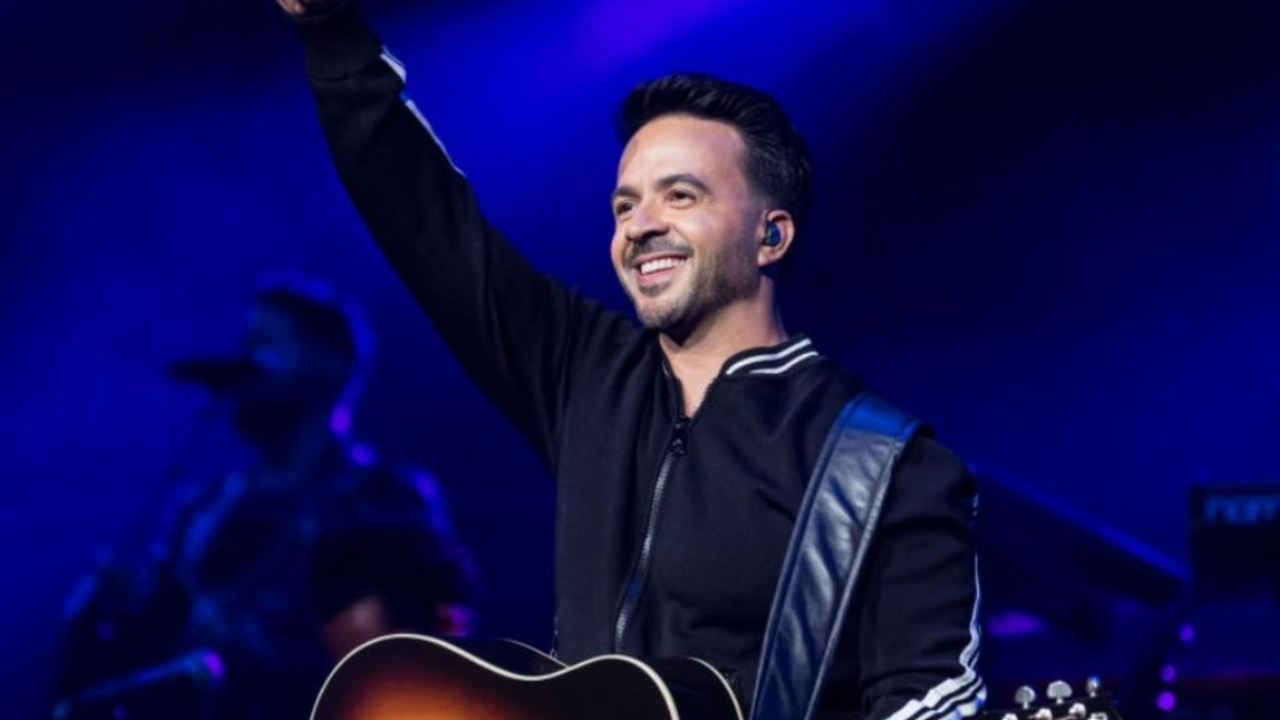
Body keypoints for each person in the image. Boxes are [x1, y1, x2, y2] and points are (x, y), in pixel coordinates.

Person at [278, 2, 984, 717]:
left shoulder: (890, 468)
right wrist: (334, 36)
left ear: (770, 236)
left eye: (680, 196)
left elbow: (932, 699)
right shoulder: (587, 371)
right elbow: (428, 222)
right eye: (624, 206)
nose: (640, 226)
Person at [51, 278, 476, 720]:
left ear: (331, 363)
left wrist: (267, 650)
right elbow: (162, 651)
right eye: (245, 345)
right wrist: (123, 611)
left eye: (266, 346)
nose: (244, 364)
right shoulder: (206, 507)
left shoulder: (384, 496)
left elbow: (422, 651)